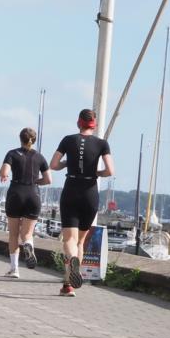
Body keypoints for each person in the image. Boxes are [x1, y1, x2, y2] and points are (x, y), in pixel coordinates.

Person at [49, 109, 114, 297]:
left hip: (71, 189)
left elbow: (54, 165)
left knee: (69, 239)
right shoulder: (102, 143)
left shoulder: (68, 140)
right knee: (80, 240)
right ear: (94, 124)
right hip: (90, 192)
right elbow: (110, 170)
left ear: (79, 122)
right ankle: (69, 281)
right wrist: (97, 173)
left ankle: (70, 276)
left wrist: (66, 164)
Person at [0, 127, 51, 278]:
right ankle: (29, 244)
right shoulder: (40, 157)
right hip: (33, 194)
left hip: (16, 193)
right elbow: (48, 180)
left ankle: (14, 269)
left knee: (14, 234)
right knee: (27, 234)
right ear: (33, 140)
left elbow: (4, 172)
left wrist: (4, 175)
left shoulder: (12, 154)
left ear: (20, 138)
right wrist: (36, 182)